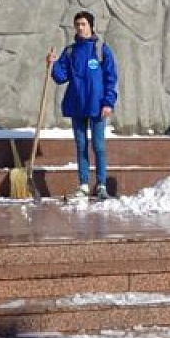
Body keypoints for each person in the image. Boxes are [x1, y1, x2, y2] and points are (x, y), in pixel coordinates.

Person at [46, 10, 118, 200]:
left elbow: (111, 78)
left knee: (98, 145)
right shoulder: (70, 51)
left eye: (83, 24)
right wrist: (52, 65)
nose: (80, 27)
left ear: (91, 26)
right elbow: (61, 77)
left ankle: (101, 184)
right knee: (81, 145)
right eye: (77, 24)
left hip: (97, 106)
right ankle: (84, 184)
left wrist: (108, 102)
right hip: (77, 105)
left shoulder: (102, 49)